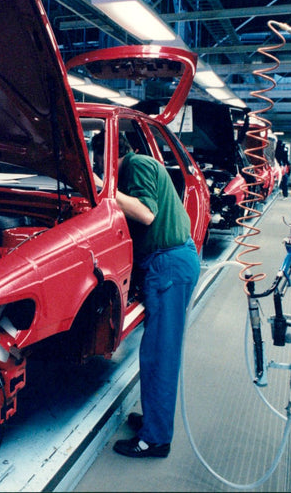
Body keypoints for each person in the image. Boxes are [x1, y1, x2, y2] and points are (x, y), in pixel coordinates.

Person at [112, 132, 200, 458]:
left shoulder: (136, 164)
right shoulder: (139, 166)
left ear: (110, 156)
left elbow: (147, 213)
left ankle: (155, 439)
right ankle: (153, 420)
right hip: (168, 264)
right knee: (154, 353)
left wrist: (104, 188)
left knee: (160, 355)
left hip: (169, 267)